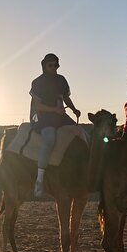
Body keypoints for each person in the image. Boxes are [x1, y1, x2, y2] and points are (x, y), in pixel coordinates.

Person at [29, 53, 81, 197]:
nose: (53, 68)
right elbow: (37, 106)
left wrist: (74, 108)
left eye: (55, 65)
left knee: (80, 133)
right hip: (43, 116)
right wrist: (54, 110)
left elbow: (66, 97)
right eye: (50, 65)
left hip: (60, 115)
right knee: (50, 139)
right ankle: (39, 180)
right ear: (44, 66)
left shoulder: (61, 80)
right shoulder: (37, 82)